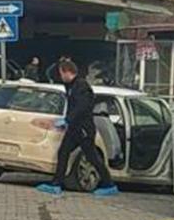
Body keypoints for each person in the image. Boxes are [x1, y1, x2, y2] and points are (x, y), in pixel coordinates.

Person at [36, 59, 117, 196]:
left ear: (67, 72)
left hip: (84, 129)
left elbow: (81, 107)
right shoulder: (70, 86)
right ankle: (57, 183)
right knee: (63, 152)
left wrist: (67, 120)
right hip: (74, 128)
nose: (61, 77)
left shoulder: (81, 86)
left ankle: (108, 184)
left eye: (61, 73)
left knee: (92, 156)